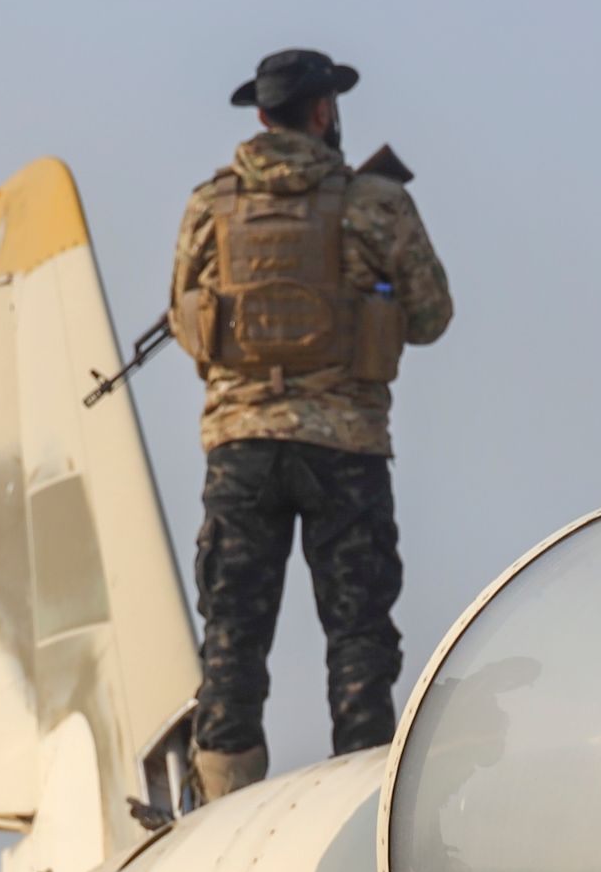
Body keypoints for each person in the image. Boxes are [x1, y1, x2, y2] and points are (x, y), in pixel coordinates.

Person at [168, 48, 453, 796]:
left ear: (261, 117)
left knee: (232, 636)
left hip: (240, 448)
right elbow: (431, 317)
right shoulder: (376, 203)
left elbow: (185, 318)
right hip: (347, 448)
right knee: (358, 636)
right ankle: (365, 797)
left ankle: (221, 808)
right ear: (323, 111)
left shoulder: (209, 206)